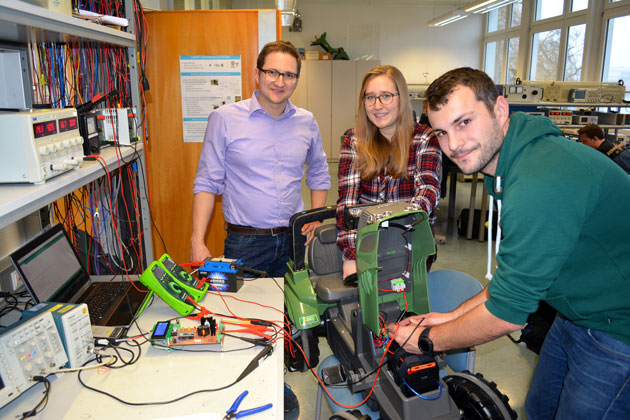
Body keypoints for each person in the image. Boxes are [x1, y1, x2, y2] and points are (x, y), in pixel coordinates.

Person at [387, 67, 630, 419]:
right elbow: (512, 281)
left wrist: (427, 340)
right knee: (539, 409)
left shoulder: (539, 179)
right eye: (441, 131)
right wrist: (447, 318)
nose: (453, 145)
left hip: (617, 329)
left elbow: (507, 314)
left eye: (464, 122)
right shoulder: (509, 165)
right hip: (575, 313)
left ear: (500, 110)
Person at [190, 40, 331, 279]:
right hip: (245, 242)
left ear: (297, 79)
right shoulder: (224, 119)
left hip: (292, 239)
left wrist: (315, 217)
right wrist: (197, 240)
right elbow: (206, 183)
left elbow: (318, 171)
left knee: (288, 308)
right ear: (257, 73)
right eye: (272, 72)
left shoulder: (306, 121)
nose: (280, 82)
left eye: (288, 75)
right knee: (243, 312)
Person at [335, 65, 441, 283]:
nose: (377, 105)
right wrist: (350, 255)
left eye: (386, 96)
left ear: (401, 98)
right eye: (370, 98)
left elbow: (427, 191)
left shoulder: (424, 138)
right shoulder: (354, 141)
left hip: (410, 245)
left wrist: (392, 231)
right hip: (365, 246)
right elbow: (348, 204)